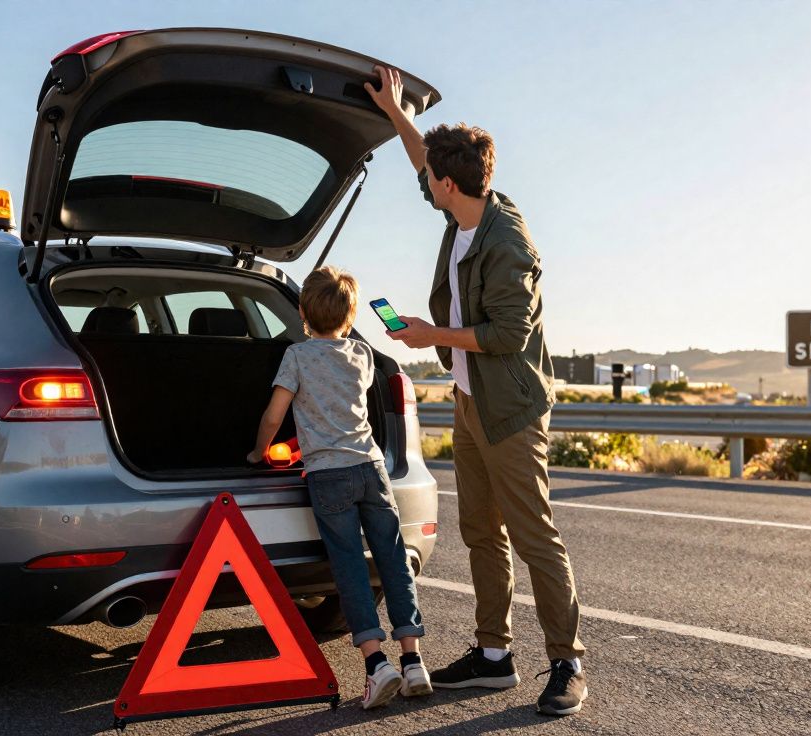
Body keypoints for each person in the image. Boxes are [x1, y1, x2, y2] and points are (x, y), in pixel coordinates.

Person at [364, 66, 589, 717]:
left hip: (511, 410)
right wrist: (395, 112)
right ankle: (494, 656)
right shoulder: (463, 210)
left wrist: (431, 331)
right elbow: (422, 160)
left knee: (533, 537)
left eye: (432, 178)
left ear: (450, 184)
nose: (425, 184)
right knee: (481, 533)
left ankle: (567, 662)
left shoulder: (508, 242)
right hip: (469, 403)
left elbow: (508, 335)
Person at [248, 265, 432, 710]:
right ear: (350, 316)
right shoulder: (363, 355)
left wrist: (259, 451)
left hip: (328, 476)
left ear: (300, 313)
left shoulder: (295, 357)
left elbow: (275, 415)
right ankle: (413, 661)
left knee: (349, 566)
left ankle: (376, 666)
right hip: (371, 468)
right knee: (391, 560)